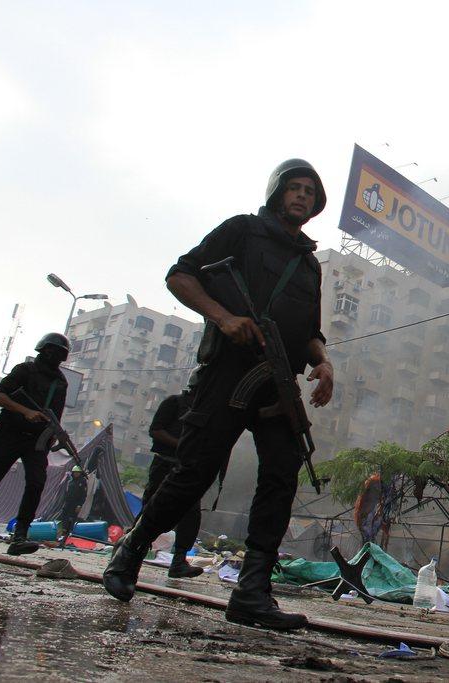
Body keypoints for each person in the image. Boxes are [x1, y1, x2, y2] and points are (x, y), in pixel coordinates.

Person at [103, 159, 334, 631]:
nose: (302, 196)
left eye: (310, 191)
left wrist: (323, 361)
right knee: (194, 472)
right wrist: (222, 317)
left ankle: (252, 591)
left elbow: (309, 330)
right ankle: (130, 552)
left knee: (280, 478)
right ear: (277, 193)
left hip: (278, 380)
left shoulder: (310, 265)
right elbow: (180, 276)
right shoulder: (242, 232)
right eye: (294, 187)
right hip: (228, 371)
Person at [0, 333, 70, 556]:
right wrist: (25, 411)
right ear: (42, 350)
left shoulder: (60, 382)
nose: (55, 357)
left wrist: (57, 434)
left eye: (60, 354)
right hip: (11, 433)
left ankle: (21, 534)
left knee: (36, 483)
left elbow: (56, 414)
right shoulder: (24, 370)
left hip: (36, 441)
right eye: (52, 352)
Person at [144, 376, 204, 578]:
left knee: (191, 514)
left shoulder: (204, 410)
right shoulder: (174, 402)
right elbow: (156, 430)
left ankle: (179, 560)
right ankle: (131, 550)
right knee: (151, 508)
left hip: (188, 468)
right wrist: (181, 445)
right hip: (165, 463)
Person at [57, 465, 88, 548]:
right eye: (75, 473)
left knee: (71, 519)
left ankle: (69, 535)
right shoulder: (70, 481)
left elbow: (83, 495)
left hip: (75, 504)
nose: (76, 474)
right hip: (68, 503)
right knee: (64, 517)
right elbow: (67, 493)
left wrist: (79, 505)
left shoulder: (82, 482)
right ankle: (62, 534)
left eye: (78, 473)